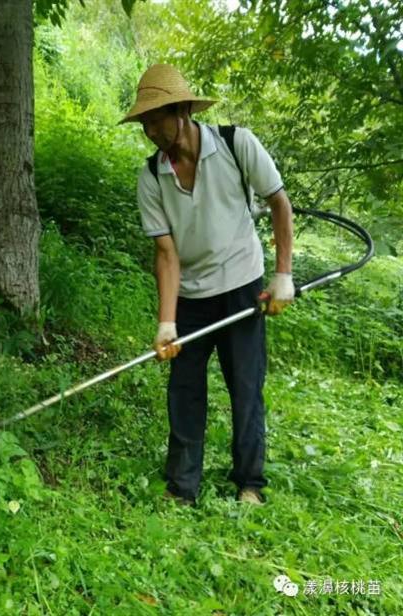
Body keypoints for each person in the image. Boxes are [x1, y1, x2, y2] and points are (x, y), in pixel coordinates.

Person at [120, 64, 294, 507]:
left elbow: (279, 203)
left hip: (241, 284)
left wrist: (282, 276)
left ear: (182, 110)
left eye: (158, 118)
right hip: (191, 296)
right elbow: (166, 253)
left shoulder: (238, 144)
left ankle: (250, 483)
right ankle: (182, 487)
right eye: (145, 122)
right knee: (184, 390)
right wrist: (166, 322)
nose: (152, 131)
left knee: (246, 386)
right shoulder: (150, 177)